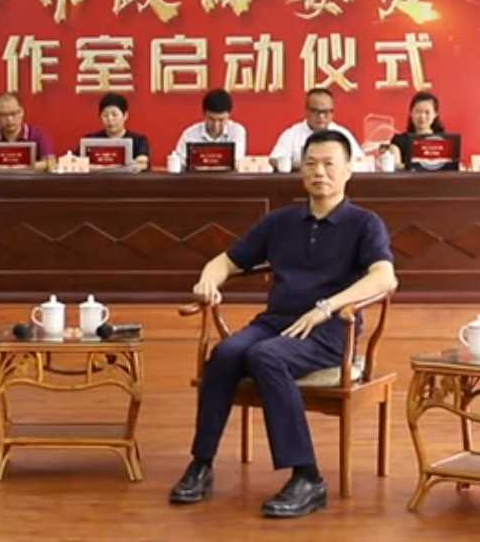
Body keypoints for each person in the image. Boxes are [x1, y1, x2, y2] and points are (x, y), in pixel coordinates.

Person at [169, 130, 396, 518]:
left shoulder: (364, 223)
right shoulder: (281, 222)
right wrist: (208, 280)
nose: (319, 172)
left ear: (349, 170)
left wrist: (326, 307)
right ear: (301, 170)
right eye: (311, 164)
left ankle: (308, 476)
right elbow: (225, 261)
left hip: (329, 331)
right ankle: (201, 464)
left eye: (329, 164)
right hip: (276, 322)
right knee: (226, 353)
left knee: (265, 357)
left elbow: (385, 277)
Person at [269, 89, 363, 169]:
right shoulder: (292, 134)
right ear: (307, 111)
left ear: (332, 113)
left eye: (326, 111)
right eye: (316, 111)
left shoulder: (342, 134)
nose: (321, 116)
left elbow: (360, 160)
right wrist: (305, 166)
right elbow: (274, 160)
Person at [0, 92, 55, 170]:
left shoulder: (38, 135)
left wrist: (21, 168)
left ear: (22, 112)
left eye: (14, 113)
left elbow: (51, 162)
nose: (9, 119)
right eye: (3, 115)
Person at [173, 88, 247, 161]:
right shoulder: (189, 134)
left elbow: (236, 158)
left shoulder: (237, 131)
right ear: (204, 114)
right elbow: (179, 161)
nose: (216, 125)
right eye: (211, 119)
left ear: (229, 115)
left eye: (221, 120)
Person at [84, 92, 150, 171]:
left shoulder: (139, 140)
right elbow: (76, 161)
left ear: (125, 115)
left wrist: (139, 164)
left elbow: (142, 161)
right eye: (105, 115)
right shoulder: (91, 140)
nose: (110, 119)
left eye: (114, 115)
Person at [388, 91, 446, 169]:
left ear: (435, 114)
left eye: (427, 112)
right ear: (411, 113)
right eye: (418, 112)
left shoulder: (445, 141)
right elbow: (395, 166)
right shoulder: (398, 141)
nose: (422, 116)